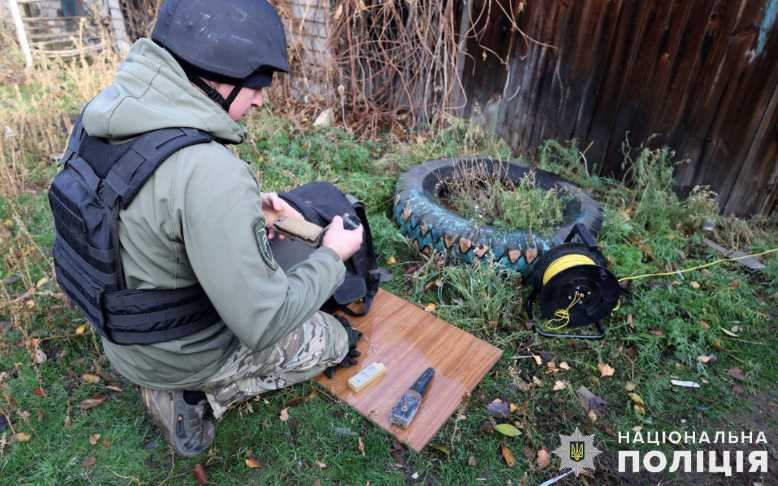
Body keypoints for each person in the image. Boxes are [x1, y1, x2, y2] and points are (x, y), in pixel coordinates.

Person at [61, 0, 363, 456]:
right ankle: (196, 396)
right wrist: (333, 255)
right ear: (218, 77)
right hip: (178, 353)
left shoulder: (101, 116)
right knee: (333, 340)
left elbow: (137, 214)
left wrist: (236, 216)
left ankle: (171, 382)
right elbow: (264, 324)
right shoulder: (209, 171)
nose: (261, 98)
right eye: (257, 84)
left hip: (119, 336)